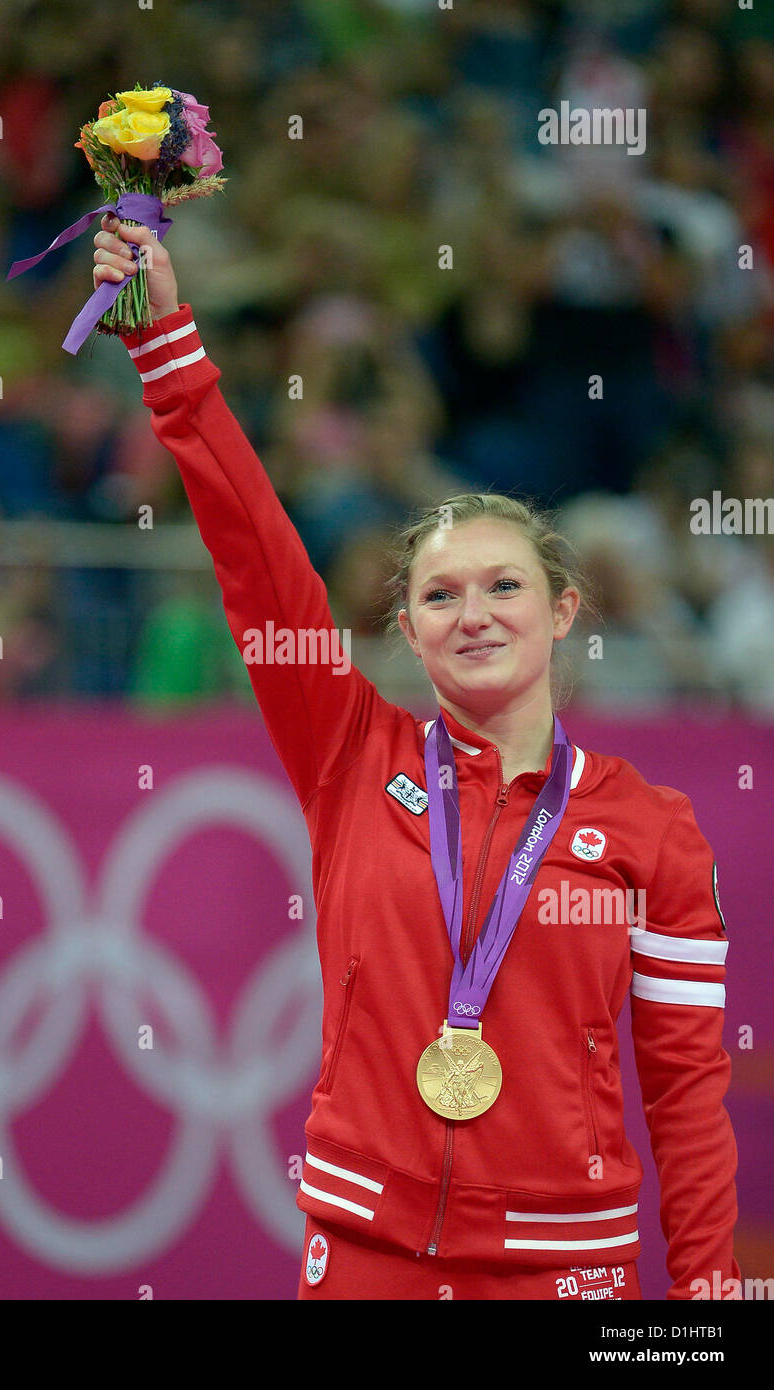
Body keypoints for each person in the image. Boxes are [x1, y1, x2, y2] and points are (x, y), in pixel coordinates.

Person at [92, 215, 740, 1302]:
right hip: (362, 1253)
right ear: (406, 625)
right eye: (439, 593)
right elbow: (256, 556)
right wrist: (170, 352)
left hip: (565, 1268)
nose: (472, 613)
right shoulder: (350, 752)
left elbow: (685, 1089)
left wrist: (712, 1289)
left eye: (503, 586)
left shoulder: (651, 828)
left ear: (564, 610)